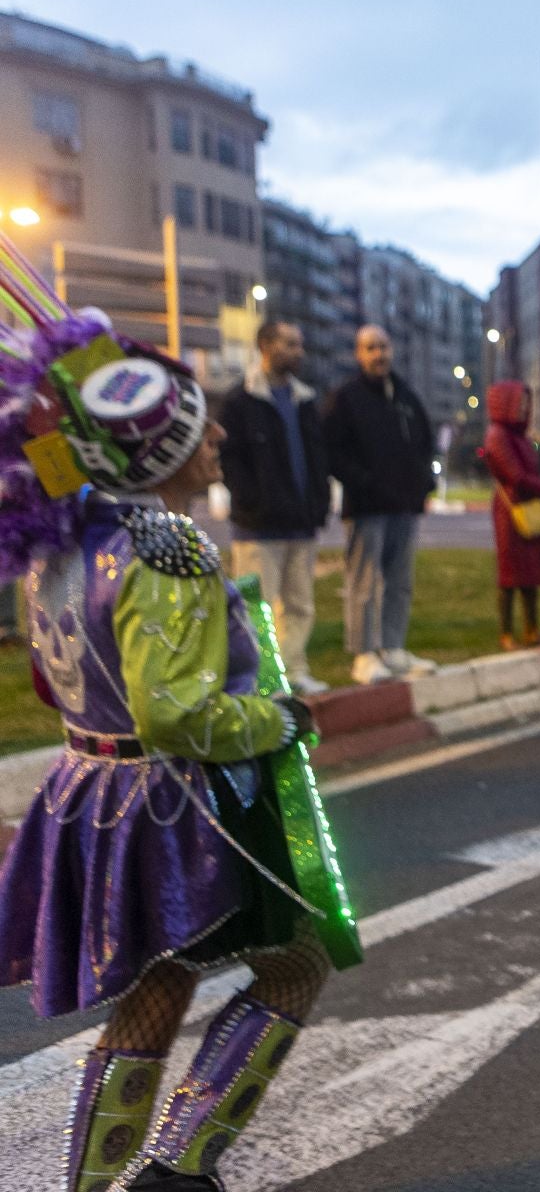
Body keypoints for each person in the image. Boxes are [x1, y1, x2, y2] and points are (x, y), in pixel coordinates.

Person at [0, 253, 352, 1191]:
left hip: (90, 794)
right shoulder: (171, 550)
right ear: (160, 456)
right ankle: (182, 1167)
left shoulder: (63, 544)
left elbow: (48, 680)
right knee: (297, 967)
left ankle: (104, 1183)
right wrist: (275, 718)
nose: (221, 437)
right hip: (177, 812)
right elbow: (177, 714)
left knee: (157, 991)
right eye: (200, 431)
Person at [218, 320, 332, 695]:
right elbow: (229, 460)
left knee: (300, 606)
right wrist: (252, 502)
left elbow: (318, 458)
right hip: (258, 527)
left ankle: (294, 670)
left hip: (301, 523)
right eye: (290, 344)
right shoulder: (240, 402)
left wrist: (319, 504)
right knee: (256, 608)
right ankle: (263, 680)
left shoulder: (304, 400)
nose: (299, 352)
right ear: (265, 346)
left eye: (300, 345)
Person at [321, 325, 438, 684]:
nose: (378, 354)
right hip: (368, 507)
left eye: (383, 347)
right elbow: (332, 452)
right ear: (359, 354)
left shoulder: (404, 396)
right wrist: (366, 483)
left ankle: (393, 648)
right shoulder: (346, 398)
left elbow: (424, 443)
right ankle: (363, 654)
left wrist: (423, 484)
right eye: (370, 348)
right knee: (364, 582)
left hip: (404, 506)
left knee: (400, 581)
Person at [482, 380, 540, 648]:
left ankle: (531, 630)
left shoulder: (518, 436)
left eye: (526, 403)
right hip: (511, 509)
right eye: (519, 402)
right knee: (510, 574)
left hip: (527, 506)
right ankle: (506, 633)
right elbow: (516, 476)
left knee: (530, 573)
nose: (524, 408)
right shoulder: (498, 435)